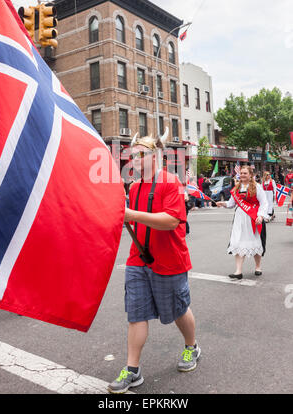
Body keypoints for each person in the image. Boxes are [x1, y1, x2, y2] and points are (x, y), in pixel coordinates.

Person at [108, 131, 200, 394]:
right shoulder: (134, 187)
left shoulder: (171, 183)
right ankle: (132, 370)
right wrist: (124, 217)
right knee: (136, 314)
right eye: (131, 155)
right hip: (138, 259)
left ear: (155, 156)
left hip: (170, 259)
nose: (134, 159)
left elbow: (172, 220)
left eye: (140, 154)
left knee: (178, 310)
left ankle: (191, 347)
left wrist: (130, 213)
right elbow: (134, 219)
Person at [217, 165, 268, 280]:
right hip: (240, 219)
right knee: (238, 242)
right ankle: (238, 271)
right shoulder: (236, 188)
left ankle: (258, 266)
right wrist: (223, 204)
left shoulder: (257, 187)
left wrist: (260, 216)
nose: (242, 175)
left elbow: (264, 203)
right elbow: (231, 204)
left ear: (251, 175)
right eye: (241, 173)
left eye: (245, 173)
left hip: (253, 218)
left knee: (255, 242)